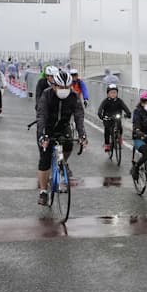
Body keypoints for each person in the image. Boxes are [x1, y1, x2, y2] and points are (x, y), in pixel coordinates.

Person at [36, 71, 88, 206]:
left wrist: (82, 135)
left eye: (67, 87)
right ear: (54, 85)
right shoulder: (47, 95)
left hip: (63, 126)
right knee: (45, 160)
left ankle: (62, 162)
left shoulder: (74, 96)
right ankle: (43, 191)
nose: (64, 90)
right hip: (47, 127)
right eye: (61, 87)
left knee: (69, 145)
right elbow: (41, 116)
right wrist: (43, 135)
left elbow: (79, 116)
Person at [97, 84, 132, 152]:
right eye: (111, 92)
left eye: (115, 92)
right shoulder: (105, 101)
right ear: (108, 94)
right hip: (107, 118)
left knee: (120, 127)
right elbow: (100, 109)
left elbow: (125, 108)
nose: (113, 94)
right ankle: (107, 144)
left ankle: (119, 138)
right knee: (107, 130)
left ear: (117, 93)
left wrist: (128, 114)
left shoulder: (119, 101)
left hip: (117, 117)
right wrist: (101, 116)